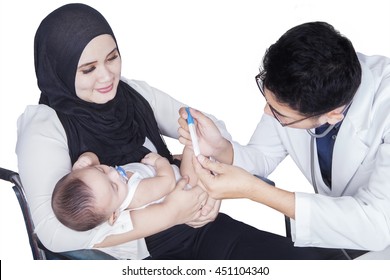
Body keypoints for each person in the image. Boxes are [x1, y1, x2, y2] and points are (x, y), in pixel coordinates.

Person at [16, 3, 334, 260]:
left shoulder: (132, 93)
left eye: (113, 58)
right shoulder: (44, 127)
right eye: (88, 69)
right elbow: (52, 233)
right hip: (139, 258)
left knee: (303, 264)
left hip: (197, 228)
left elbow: (201, 127)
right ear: (57, 68)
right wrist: (169, 213)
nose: (106, 76)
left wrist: (203, 191)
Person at [179, 22, 390, 259]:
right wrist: (219, 148)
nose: (267, 113)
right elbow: (263, 155)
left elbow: (377, 224)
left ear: (333, 115)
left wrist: (254, 191)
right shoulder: (304, 84)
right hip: (339, 233)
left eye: (281, 114)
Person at [52, 151, 180, 232]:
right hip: (184, 182)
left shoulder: (104, 192)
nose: (114, 173)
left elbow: (95, 159)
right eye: (114, 186)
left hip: (171, 168)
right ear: (114, 215)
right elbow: (168, 182)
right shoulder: (136, 194)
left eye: (101, 170)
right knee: (191, 150)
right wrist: (160, 161)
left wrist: (86, 158)